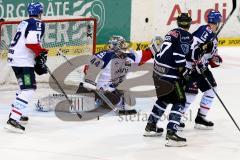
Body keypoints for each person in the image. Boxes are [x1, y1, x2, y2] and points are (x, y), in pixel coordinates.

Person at [143, 13, 193, 147]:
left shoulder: (172, 32)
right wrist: (185, 73)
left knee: (163, 99)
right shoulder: (186, 35)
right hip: (169, 75)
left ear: (177, 22)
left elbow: (179, 52)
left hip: (157, 72)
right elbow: (178, 57)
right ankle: (171, 134)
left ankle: (151, 126)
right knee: (180, 100)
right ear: (189, 23)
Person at [77, 35, 160, 115]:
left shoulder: (131, 56)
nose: (124, 45)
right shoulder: (107, 55)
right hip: (102, 89)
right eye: (122, 43)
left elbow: (146, 54)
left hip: (113, 91)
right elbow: (89, 67)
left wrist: (156, 49)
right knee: (115, 98)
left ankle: (98, 99)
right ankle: (90, 97)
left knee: (128, 101)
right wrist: (89, 81)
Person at [5, 2, 48, 133]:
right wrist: (40, 52)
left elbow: (26, 42)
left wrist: (39, 53)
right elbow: (31, 43)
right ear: (40, 12)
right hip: (23, 62)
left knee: (23, 87)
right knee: (29, 89)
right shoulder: (38, 23)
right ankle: (13, 119)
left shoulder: (24, 22)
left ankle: (16, 112)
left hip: (15, 59)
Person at [181, 10, 223, 130]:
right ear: (217, 22)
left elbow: (210, 57)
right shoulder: (205, 31)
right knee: (190, 94)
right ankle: (177, 119)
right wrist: (198, 62)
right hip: (192, 68)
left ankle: (200, 118)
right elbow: (192, 48)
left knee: (211, 90)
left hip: (203, 68)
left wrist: (216, 59)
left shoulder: (214, 38)